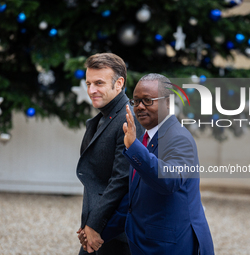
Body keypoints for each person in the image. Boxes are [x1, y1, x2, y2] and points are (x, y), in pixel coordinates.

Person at [92, 73, 215, 254]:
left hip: (172, 246)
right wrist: (98, 231)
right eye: (136, 101)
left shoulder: (179, 138)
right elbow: (133, 201)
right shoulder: (144, 139)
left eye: (148, 101)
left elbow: (169, 181)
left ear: (167, 102)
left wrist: (134, 147)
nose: (140, 107)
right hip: (145, 244)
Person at [75, 53, 144, 255]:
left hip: (116, 232)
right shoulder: (105, 117)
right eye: (88, 83)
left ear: (119, 83)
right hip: (97, 227)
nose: (91, 90)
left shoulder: (128, 118)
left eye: (98, 83)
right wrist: (88, 224)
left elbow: (122, 179)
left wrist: (95, 224)